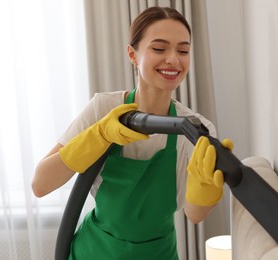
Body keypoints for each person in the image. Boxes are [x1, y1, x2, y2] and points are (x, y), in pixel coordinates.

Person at [32, 6, 232, 260]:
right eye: (159, 49)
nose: (173, 59)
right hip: (94, 252)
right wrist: (100, 134)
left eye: (183, 50)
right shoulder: (103, 109)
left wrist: (205, 187)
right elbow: (40, 184)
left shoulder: (194, 128)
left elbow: (195, 214)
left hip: (157, 254)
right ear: (133, 54)